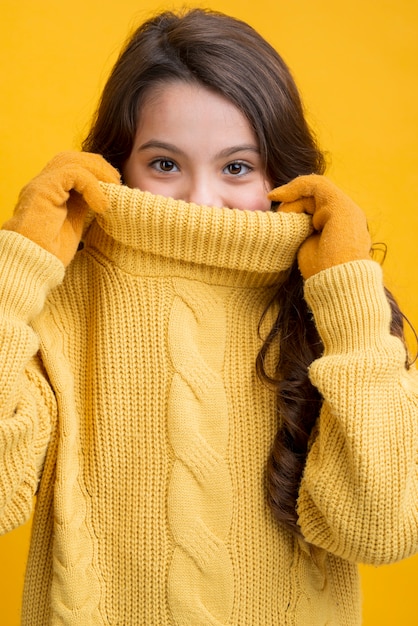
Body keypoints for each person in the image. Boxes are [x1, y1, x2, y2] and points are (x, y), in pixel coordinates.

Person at [0, 8, 417, 626]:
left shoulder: (331, 304)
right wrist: (13, 278)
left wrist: (350, 301)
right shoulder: (57, 297)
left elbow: (381, 531)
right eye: (165, 164)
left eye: (236, 167)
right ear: (118, 164)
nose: (202, 201)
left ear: (283, 170)